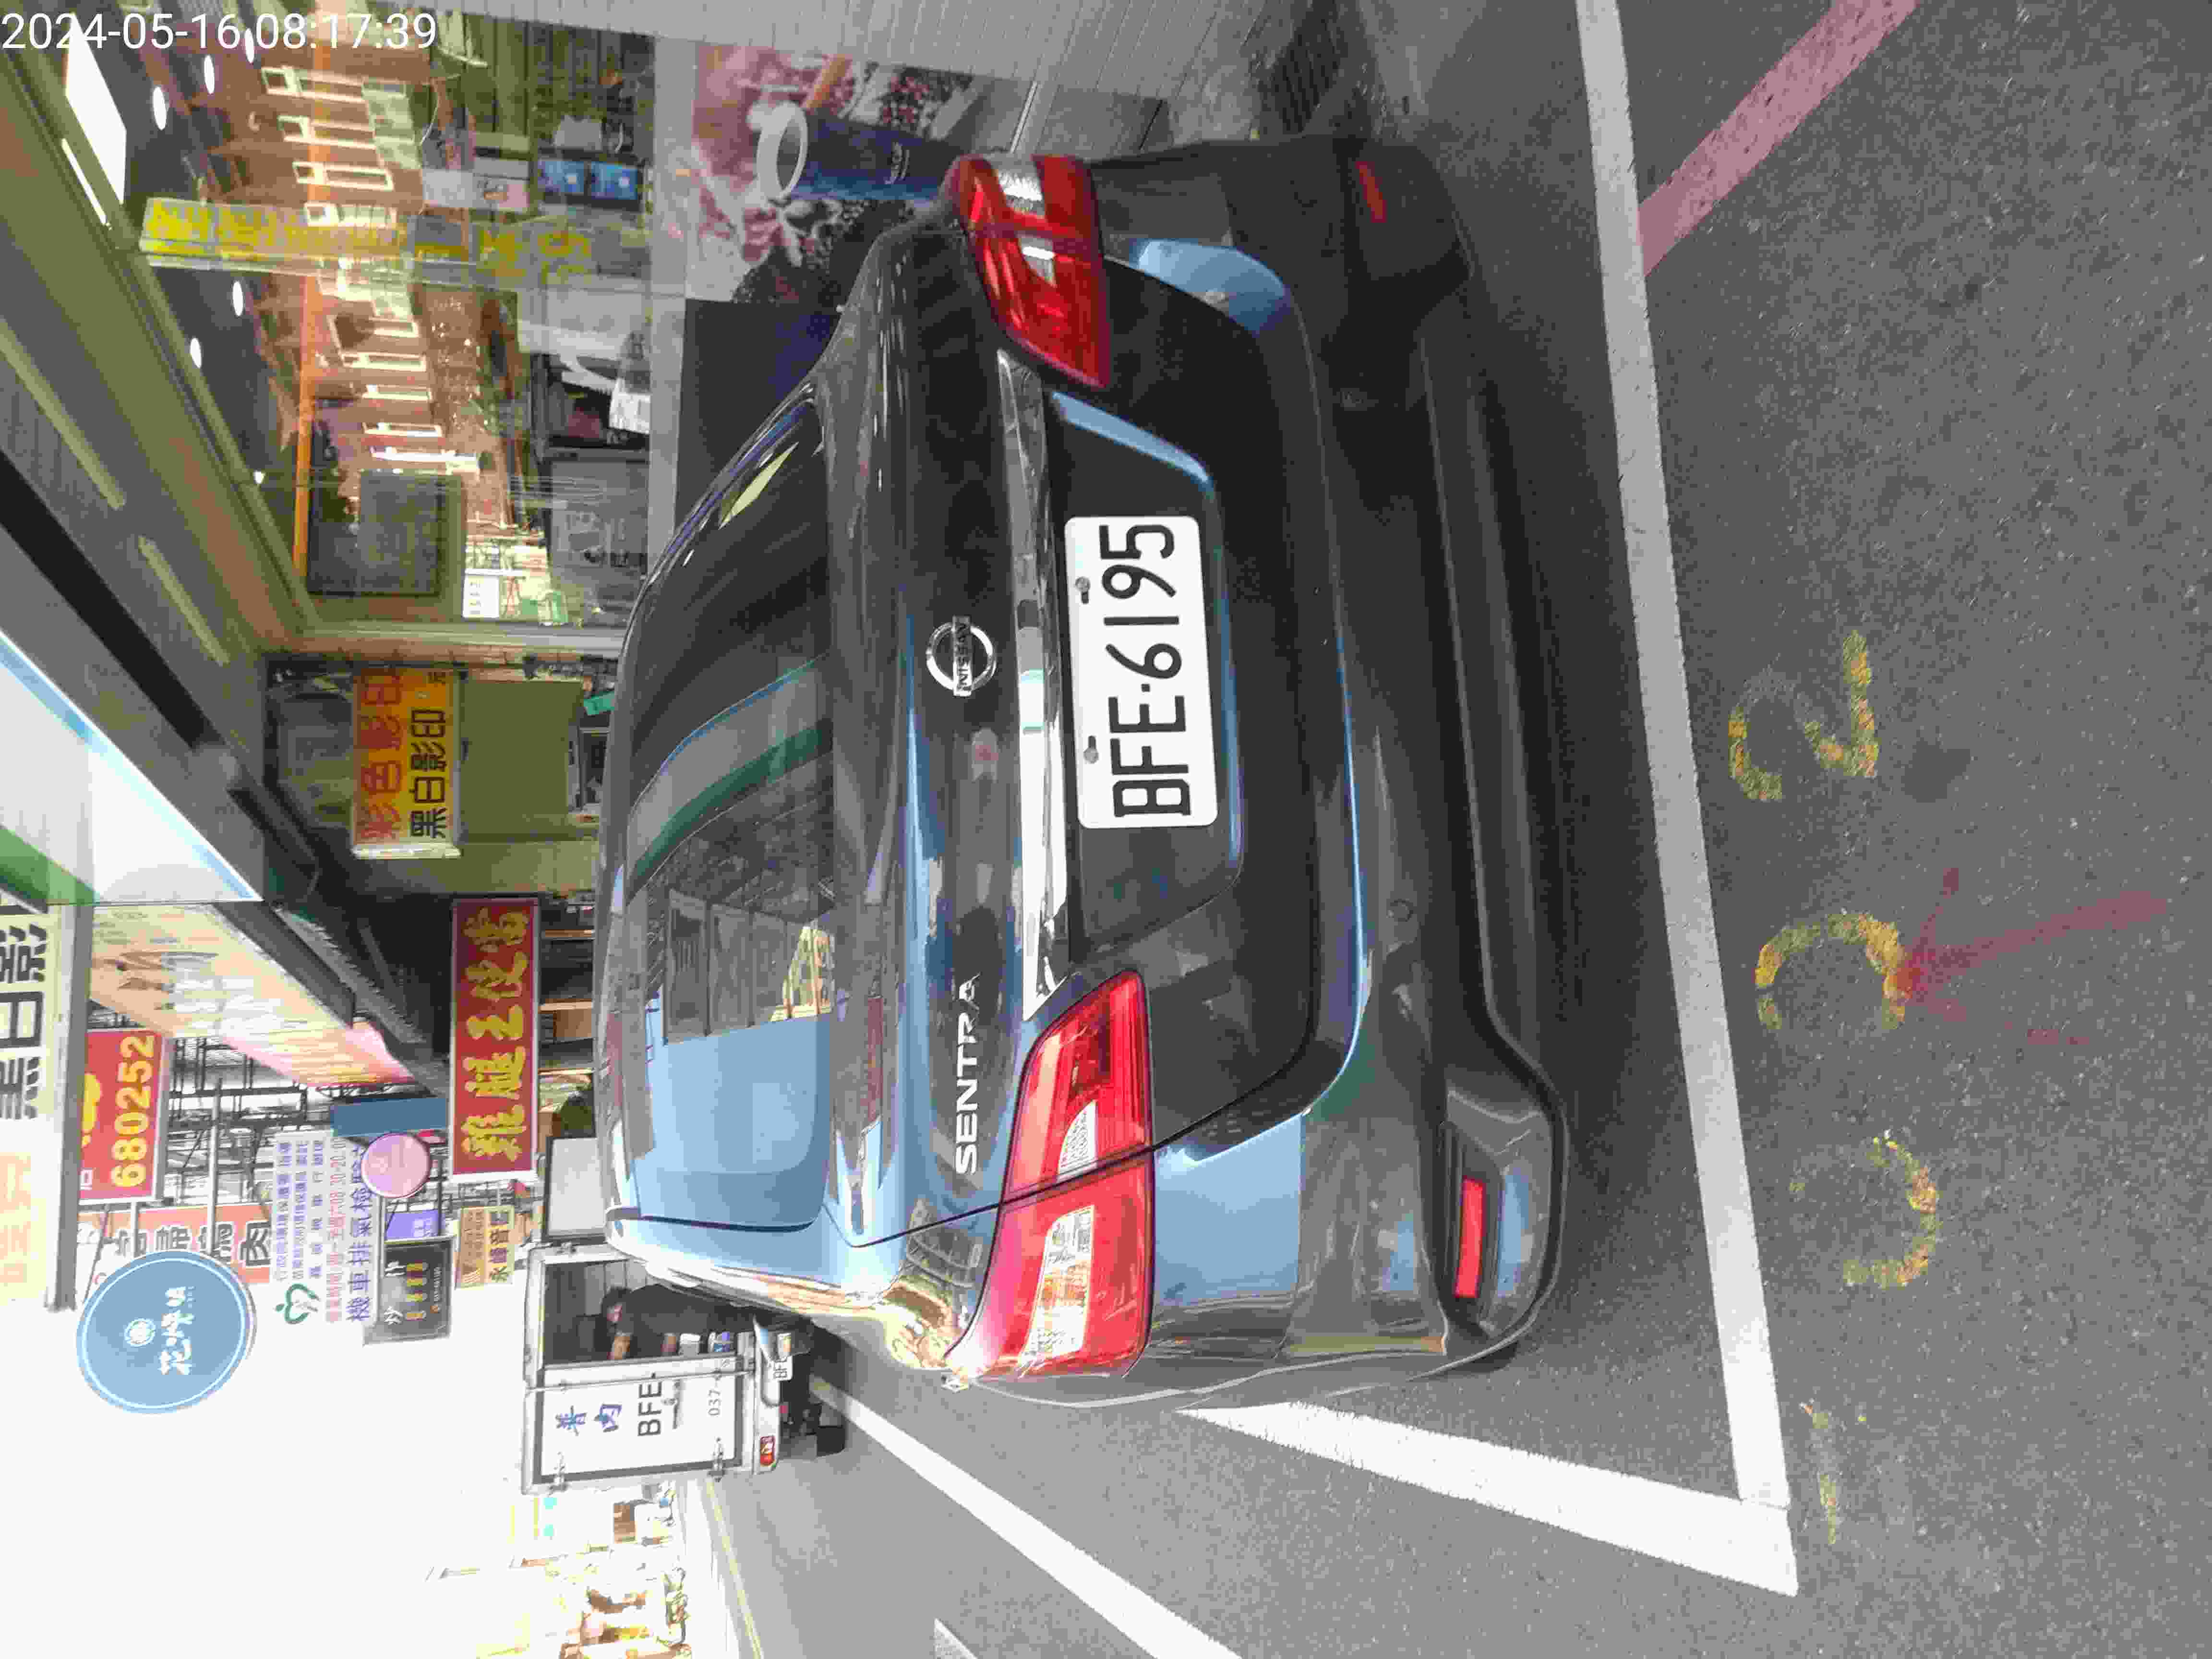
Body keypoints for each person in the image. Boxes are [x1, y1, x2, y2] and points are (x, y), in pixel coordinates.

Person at [601, 1282, 741, 1358]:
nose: (620, 1322)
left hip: (706, 1319)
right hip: (711, 1307)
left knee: (743, 1321)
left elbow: (620, 1345)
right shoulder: (648, 1295)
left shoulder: (633, 1307)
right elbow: (671, 1334)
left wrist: (610, 1371)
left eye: (617, 1316)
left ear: (619, 1306)